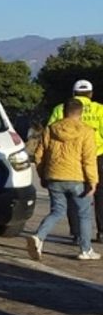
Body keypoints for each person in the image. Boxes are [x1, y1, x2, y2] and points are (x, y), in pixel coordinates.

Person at [27, 98, 99, 261]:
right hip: (77, 178)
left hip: (54, 176)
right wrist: (93, 181)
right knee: (84, 214)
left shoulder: (50, 129)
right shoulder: (86, 131)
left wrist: (43, 175)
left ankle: (39, 236)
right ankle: (85, 249)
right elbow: (88, 159)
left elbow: (39, 155)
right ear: (81, 113)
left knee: (57, 211)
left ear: (63, 111)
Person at [46, 80, 103, 242]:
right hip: (98, 155)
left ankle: (77, 234)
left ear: (73, 94)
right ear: (91, 94)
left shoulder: (60, 109)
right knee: (100, 195)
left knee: (73, 197)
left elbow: (49, 134)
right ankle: (101, 232)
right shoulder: (100, 110)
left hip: (70, 158)